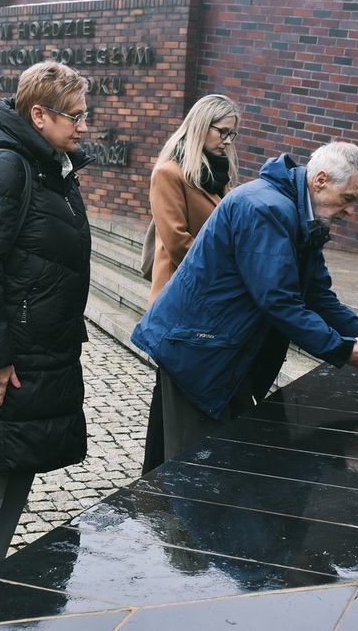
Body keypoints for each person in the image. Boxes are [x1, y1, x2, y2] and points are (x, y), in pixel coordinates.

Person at [131, 141, 358, 462]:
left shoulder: (301, 215)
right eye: (348, 199)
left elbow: (317, 296)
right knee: (198, 469)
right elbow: (279, 301)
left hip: (216, 347)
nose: (351, 211)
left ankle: (158, 508)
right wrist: (343, 349)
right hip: (200, 352)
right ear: (320, 180)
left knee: (197, 464)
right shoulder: (265, 208)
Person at [0, 61, 93, 589]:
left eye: (83, 113)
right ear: (38, 114)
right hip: (6, 355)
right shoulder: (3, 166)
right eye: (74, 115)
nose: (82, 125)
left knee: (18, 461)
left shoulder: (52, 167)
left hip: (41, 351)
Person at [141, 94, 241, 474]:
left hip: (205, 303)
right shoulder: (169, 173)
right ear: (202, 126)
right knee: (168, 392)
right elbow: (179, 241)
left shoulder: (219, 178)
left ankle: (159, 474)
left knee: (173, 395)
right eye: (223, 132)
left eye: (233, 134)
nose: (228, 141)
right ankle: (157, 475)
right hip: (179, 299)